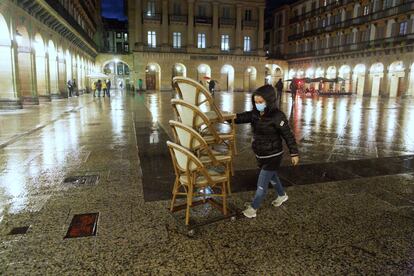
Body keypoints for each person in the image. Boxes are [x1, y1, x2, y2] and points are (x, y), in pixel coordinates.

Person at [233, 85, 300, 218]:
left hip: (273, 155)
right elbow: (240, 117)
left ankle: (253, 208)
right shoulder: (255, 114)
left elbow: (288, 135)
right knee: (273, 177)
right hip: (261, 154)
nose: (258, 105)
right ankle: (282, 195)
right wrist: (226, 117)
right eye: (256, 102)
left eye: (260, 102)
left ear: (269, 100)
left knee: (262, 184)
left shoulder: (277, 116)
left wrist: (294, 153)